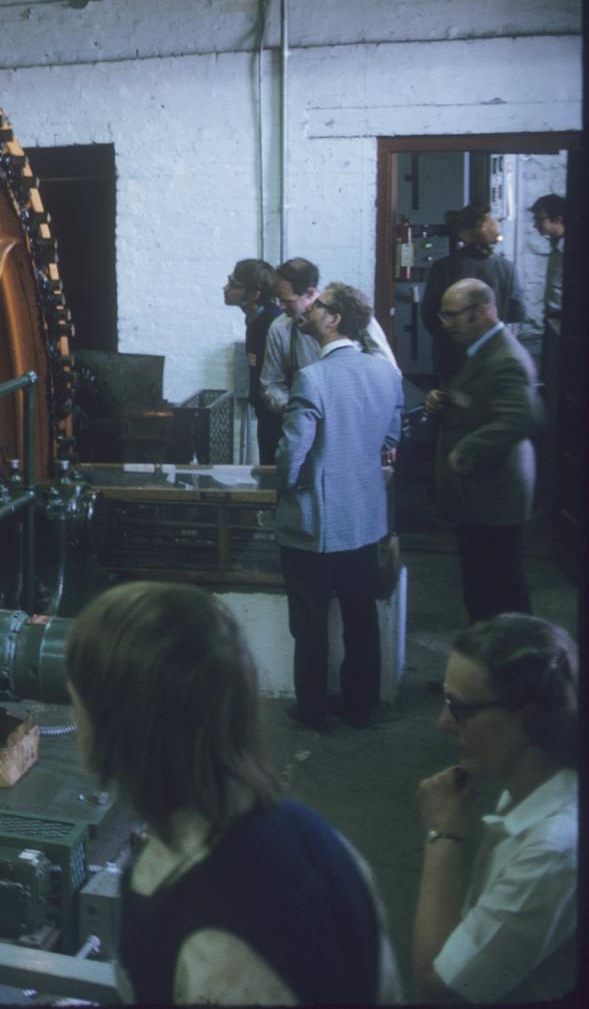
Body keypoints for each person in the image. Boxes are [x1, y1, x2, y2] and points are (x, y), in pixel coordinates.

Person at [65, 581, 401, 1004]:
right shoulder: (315, 835)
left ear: (122, 727)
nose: (76, 724)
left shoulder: (216, 937)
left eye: (78, 704)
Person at [413, 614, 578, 1003]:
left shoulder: (552, 853)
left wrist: (442, 835)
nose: (443, 723)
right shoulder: (529, 785)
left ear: (529, 716)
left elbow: (439, 989)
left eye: (459, 708)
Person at [274, 282, 402, 730]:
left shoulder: (313, 377)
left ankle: (311, 709)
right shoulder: (386, 373)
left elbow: (293, 452)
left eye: (320, 304)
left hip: (316, 522)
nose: (309, 308)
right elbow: (390, 436)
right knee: (360, 615)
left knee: (309, 623)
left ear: (334, 320)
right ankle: (359, 705)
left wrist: (283, 489)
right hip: (365, 518)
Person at [424, 278, 544, 623]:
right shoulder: (481, 350)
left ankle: (511, 671)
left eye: (452, 316)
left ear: (482, 311)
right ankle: (485, 670)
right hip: (481, 496)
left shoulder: (504, 357)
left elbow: (521, 417)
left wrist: (469, 446)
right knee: (482, 588)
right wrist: (445, 401)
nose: (446, 325)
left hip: (494, 495)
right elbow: (481, 403)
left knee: (499, 594)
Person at [258, 258, 398, 467]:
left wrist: (388, 436)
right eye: (279, 299)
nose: (281, 306)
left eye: (287, 300)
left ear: (310, 292)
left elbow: (389, 375)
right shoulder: (281, 328)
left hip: (355, 425)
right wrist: (294, 406)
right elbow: (271, 383)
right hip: (308, 428)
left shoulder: (353, 315)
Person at [421, 202, 526, 385]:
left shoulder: (443, 267)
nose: (495, 223)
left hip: (451, 357)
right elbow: (518, 312)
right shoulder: (506, 269)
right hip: (492, 354)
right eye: (491, 219)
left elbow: (429, 315)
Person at [223, 258, 285, 464]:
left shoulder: (273, 325)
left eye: (233, 284)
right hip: (265, 412)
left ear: (253, 295)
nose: (226, 288)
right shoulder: (255, 318)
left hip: (279, 419)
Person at [528, 193, 567, 400]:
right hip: (553, 321)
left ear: (557, 219)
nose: (535, 225)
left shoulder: (572, 249)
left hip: (564, 322)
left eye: (538, 219)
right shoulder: (556, 245)